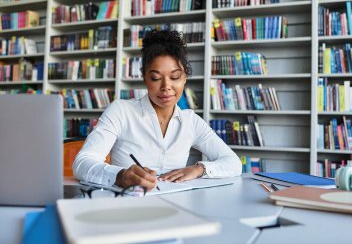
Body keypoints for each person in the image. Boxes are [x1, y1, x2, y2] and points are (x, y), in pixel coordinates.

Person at [73, 30, 242, 191]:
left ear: (184, 79)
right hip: (128, 204)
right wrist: (120, 175)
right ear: (145, 78)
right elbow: (82, 163)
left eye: (175, 77)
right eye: (155, 78)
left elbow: (233, 163)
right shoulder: (121, 112)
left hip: (176, 208)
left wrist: (199, 169)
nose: (166, 87)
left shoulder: (191, 121)